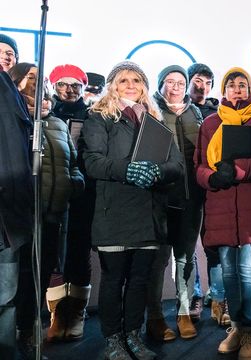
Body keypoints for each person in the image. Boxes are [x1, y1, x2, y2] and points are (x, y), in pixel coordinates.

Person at [80, 60, 184, 360]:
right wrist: (128, 170)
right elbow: (92, 161)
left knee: (140, 280)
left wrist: (158, 173)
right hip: (114, 211)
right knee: (114, 279)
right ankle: (113, 339)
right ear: (113, 84)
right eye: (124, 80)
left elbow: (176, 164)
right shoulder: (100, 118)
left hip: (149, 214)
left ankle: (133, 336)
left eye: (137, 81)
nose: (130, 85)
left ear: (144, 87)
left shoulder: (155, 121)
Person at [195, 66, 251, 360]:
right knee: (229, 273)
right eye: (232, 84)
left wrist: (241, 170)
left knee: (250, 274)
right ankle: (237, 327)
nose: (237, 89)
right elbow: (199, 167)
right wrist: (211, 178)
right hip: (221, 208)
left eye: (242, 84)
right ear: (223, 90)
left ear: (249, 88)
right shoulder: (210, 123)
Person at [9, 62, 85, 359]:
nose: (36, 86)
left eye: (40, 82)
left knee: (41, 275)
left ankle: (30, 332)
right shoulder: (14, 120)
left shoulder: (54, 123)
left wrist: (73, 184)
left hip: (54, 214)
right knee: (18, 279)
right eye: (30, 79)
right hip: (22, 217)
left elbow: (73, 163)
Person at [146, 65, 203, 341]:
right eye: (169, 81)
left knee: (185, 259)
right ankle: (155, 318)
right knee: (156, 262)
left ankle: (183, 313)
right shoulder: (151, 112)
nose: (176, 86)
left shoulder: (196, 113)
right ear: (160, 85)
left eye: (181, 81)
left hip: (191, 198)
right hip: (160, 199)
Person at [46, 64, 93, 342]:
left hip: (85, 194)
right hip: (53, 195)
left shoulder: (93, 117)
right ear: (53, 87)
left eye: (75, 85)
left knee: (79, 251)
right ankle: (57, 313)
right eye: (63, 84)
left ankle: (77, 312)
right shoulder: (45, 115)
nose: (69, 90)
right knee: (53, 256)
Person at [187, 62, 231, 326]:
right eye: (197, 80)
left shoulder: (218, 113)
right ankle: (194, 295)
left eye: (207, 81)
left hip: (214, 188)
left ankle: (218, 297)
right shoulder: (180, 110)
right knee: (188, 246)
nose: (201, 86)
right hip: (187, 189)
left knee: (213, 245)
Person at [0, 38, 33, 360]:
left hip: (10, 215)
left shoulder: (15, 98)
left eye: (9, 53)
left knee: (7, 295)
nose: (4, 58)